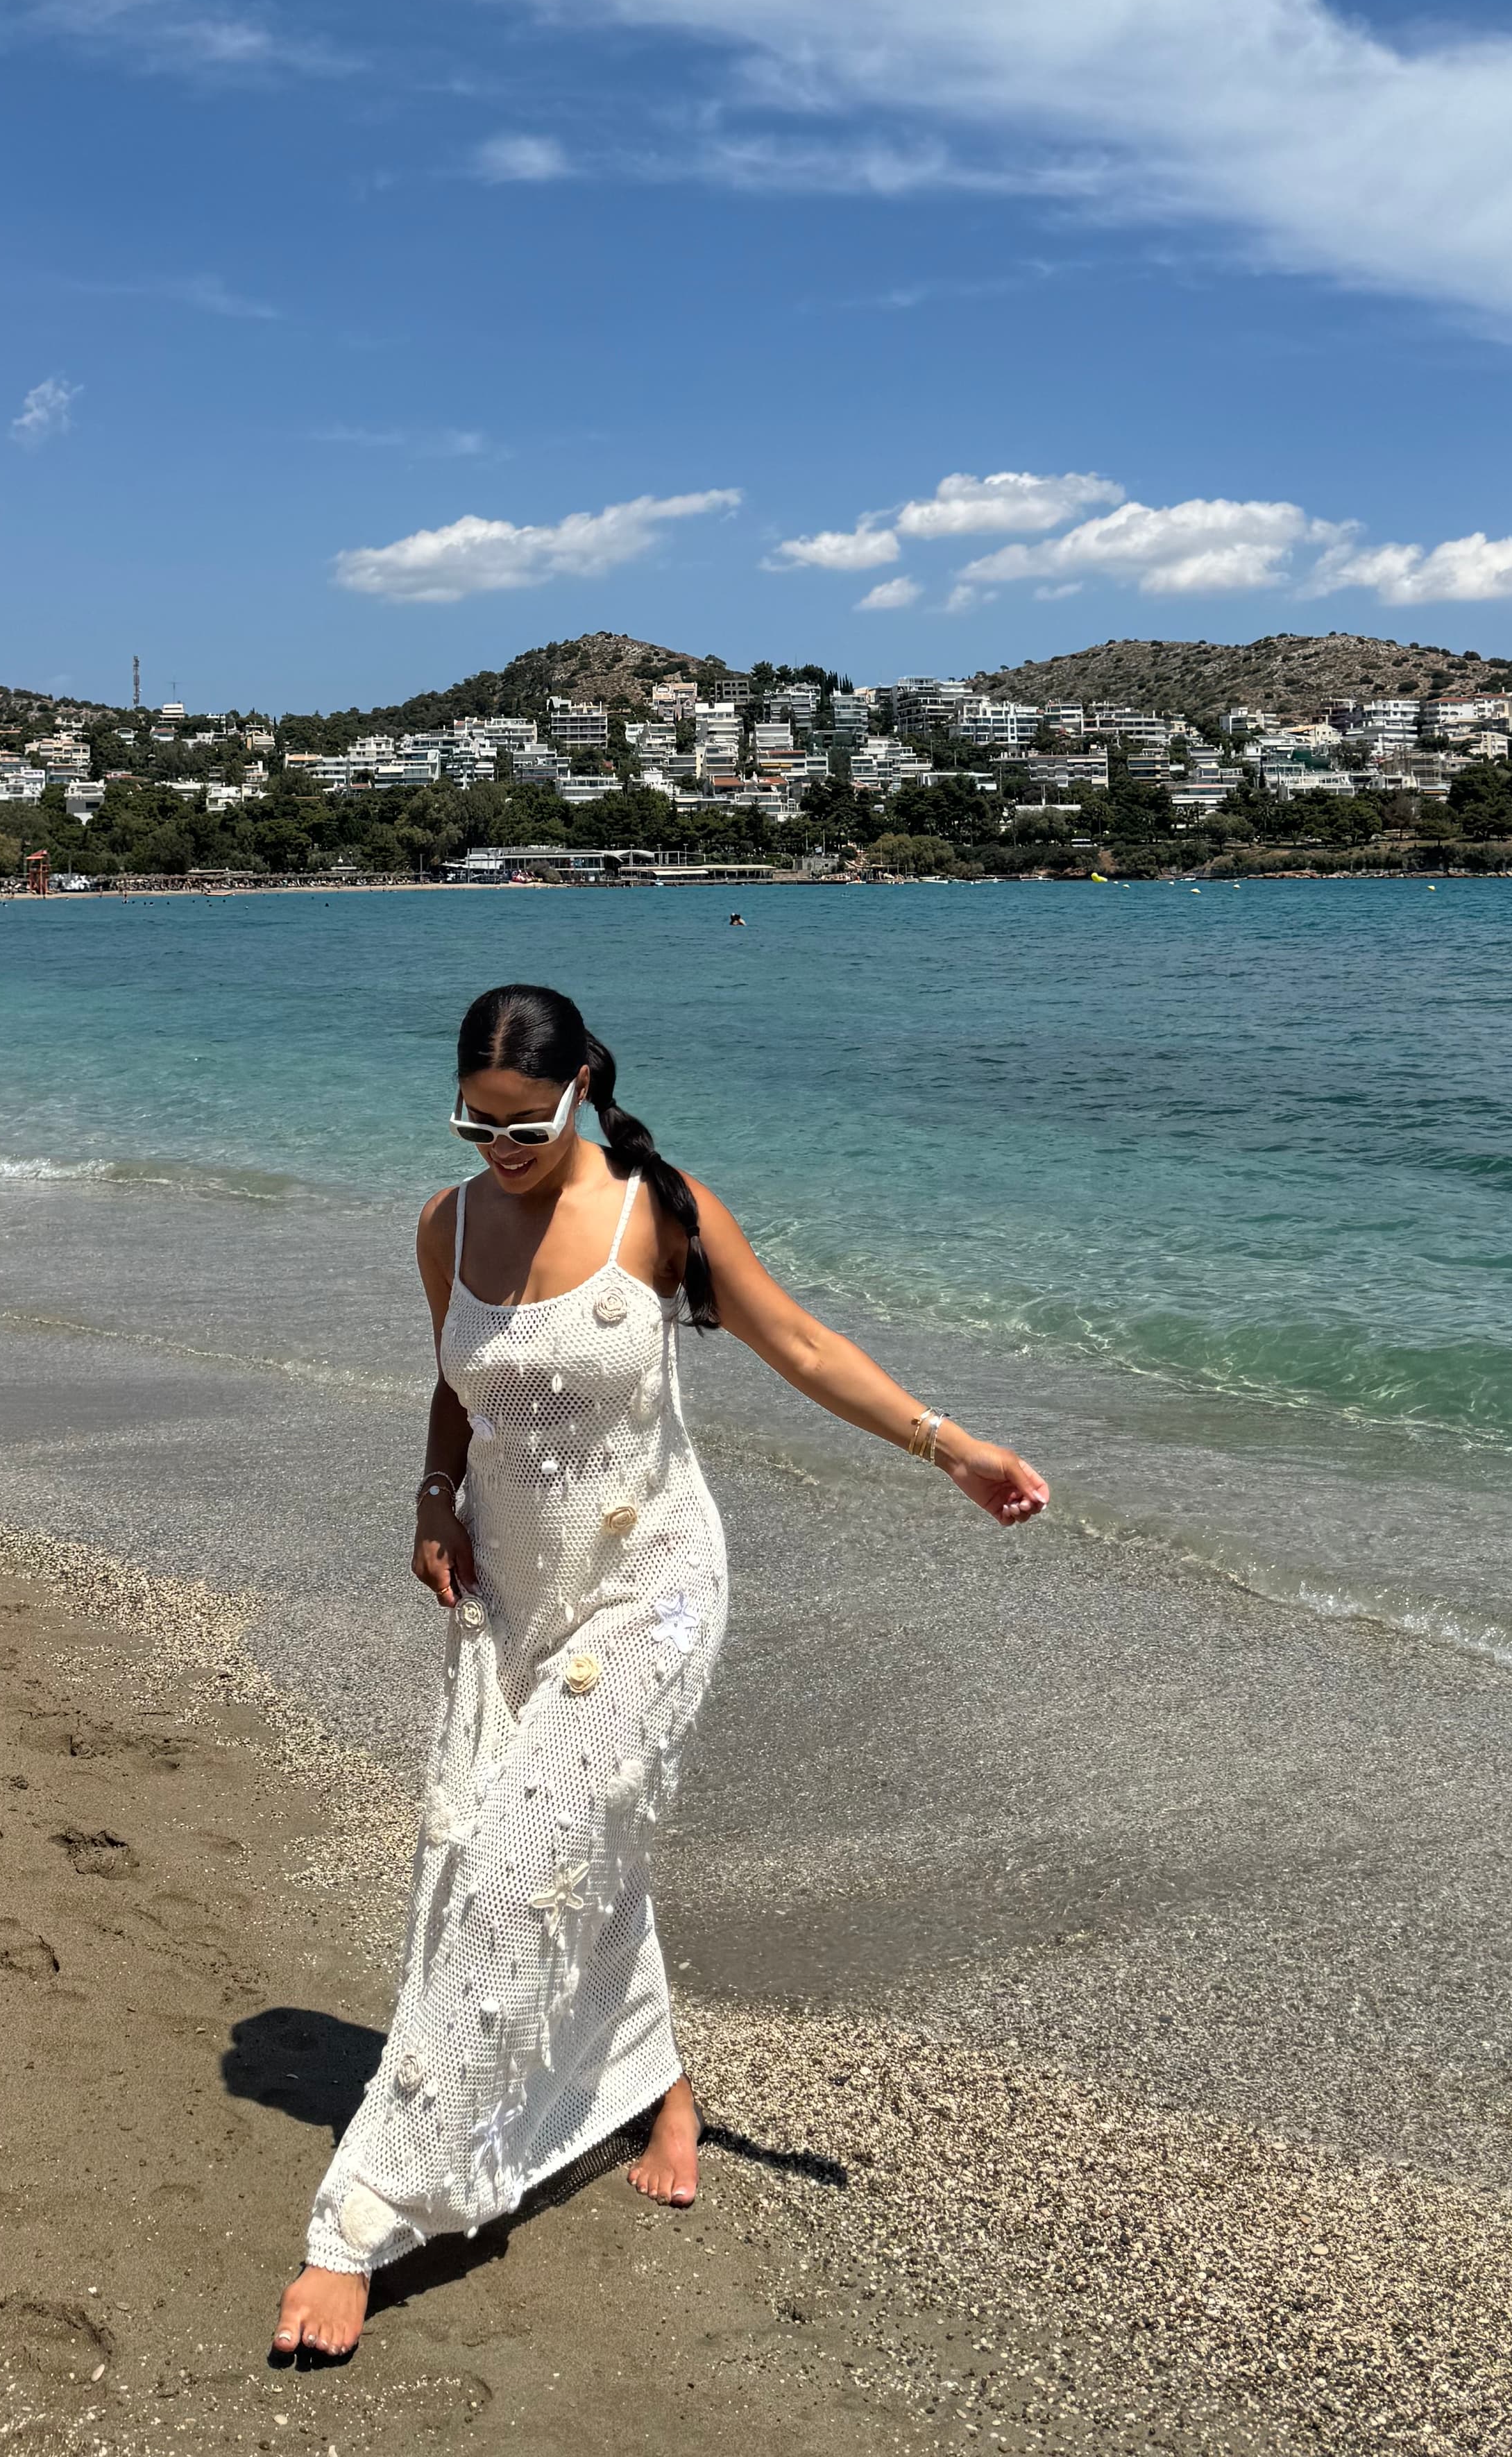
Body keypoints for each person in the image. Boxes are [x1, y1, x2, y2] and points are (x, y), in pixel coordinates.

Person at [271, 982, 1048, 2368]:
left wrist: (954, 1446)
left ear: (581, 1090)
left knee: (510, 1871)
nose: (497, 1145)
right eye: (474, 1119)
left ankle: (364, 2216)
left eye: (524, 1122)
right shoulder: (444, 1225)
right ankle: (662, 2086)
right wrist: (432, 1499)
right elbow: (460, 1377)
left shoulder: (658, 1213)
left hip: (654, 1597)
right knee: (570, 1850)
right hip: (518, 1597)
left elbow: (799, 1342)